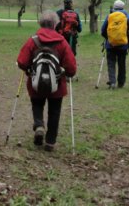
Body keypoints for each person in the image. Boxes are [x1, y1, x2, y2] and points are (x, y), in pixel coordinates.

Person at [17, 10, 77, 152]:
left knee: (37, 104)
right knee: (54, 111)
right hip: (57, 85)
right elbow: (71, 68)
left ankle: (39, 125)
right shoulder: (62, 42)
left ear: (40, 23)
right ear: (56, 24)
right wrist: (66, 73)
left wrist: (28, 69)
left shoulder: (33, 40)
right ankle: (50, 142)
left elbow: (21, 62)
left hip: (36, 84)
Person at [101, 0, 129, 89]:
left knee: (111, 63)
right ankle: (121, 83)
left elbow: (103, 30)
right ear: (123, 7)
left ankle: (112, 82)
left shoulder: (109, 16)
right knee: (121, 64)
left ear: (114, 7)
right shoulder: (127, 16)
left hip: (110, 44)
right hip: (123, 45)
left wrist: (108, 38)